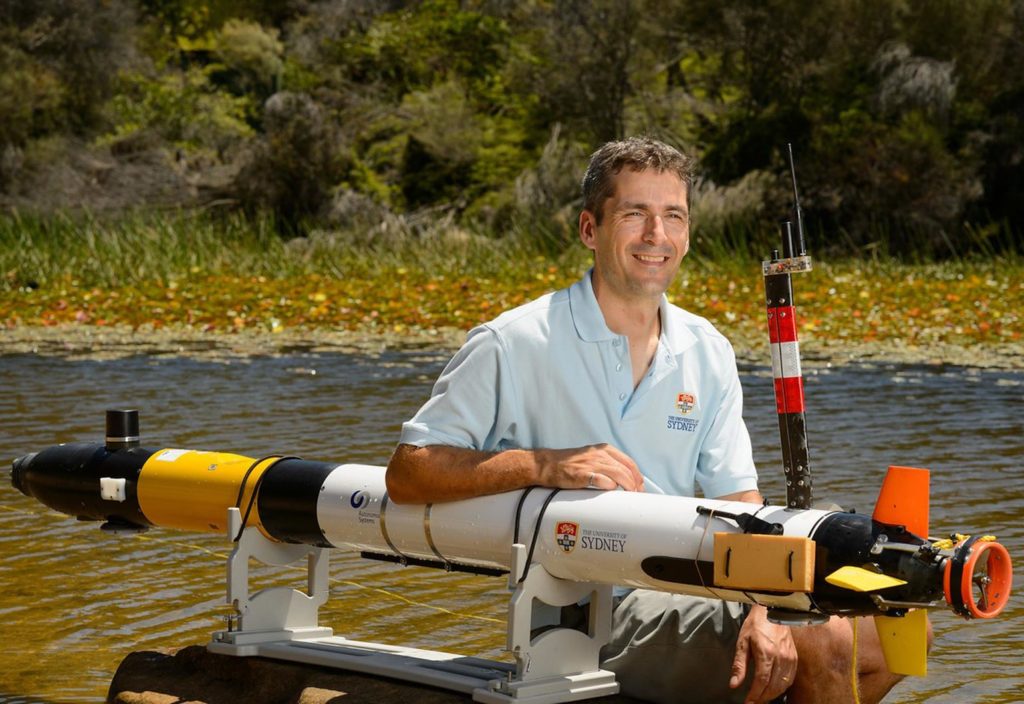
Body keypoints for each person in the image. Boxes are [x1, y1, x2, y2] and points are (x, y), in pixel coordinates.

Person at [386, 137, 908, 704]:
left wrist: (766, 605)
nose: (656, 236)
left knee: (898, 631)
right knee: (826, 644)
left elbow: (740, 502)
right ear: (590, 229)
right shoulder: (513, 342)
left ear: (686, 235)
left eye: (673, 217)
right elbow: (409, 473)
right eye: (635, 214)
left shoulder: (707, 348)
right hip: (584, 610)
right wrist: (543, 464)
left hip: (704, 582)